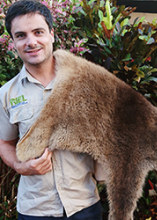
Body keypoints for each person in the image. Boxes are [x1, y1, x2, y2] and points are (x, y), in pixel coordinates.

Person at [0, 0, 105, 219]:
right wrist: (20, 166)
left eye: (38, 32)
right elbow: (4, 143)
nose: (31, 42)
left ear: (52, 34)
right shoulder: (6, 94)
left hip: (84, 204)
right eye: (21, 35)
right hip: (35, 208)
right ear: (13, 42)